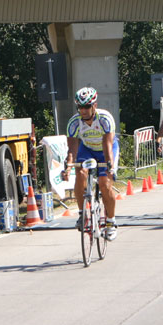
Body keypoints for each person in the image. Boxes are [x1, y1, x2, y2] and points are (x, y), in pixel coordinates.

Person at [63, 87, 120, 240]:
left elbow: (107, 146)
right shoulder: (74, 123)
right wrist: (68, 167)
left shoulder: (105, 119)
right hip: (87, 149)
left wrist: (109, 166)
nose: (83, 110)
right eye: (80, 107)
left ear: (94, 105)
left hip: (105, 150)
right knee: (80, 174)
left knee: (104, 183)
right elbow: (72, 150)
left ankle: (110, 222)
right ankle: (82, 215)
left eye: (87, 106)